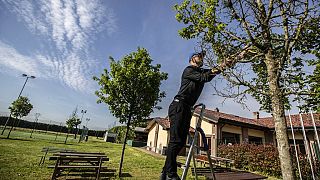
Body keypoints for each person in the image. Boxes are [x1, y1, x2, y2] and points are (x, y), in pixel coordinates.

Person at [160, 50, 243, 180]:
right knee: (175, 141)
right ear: (192, 58)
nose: (202, 58)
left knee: (181, 142)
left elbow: (210, 74)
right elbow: (206, 77)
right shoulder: (189, 70)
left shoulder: (199, 72)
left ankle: (165, 171)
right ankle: (170, 174)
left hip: (186, 109)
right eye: (199, 56)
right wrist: (220, 66)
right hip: (179, 106)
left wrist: (225, 64)